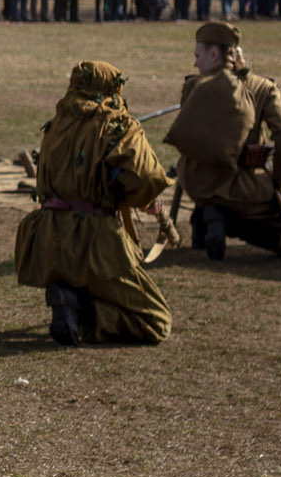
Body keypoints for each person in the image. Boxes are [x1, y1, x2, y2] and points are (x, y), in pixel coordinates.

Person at [15, 60, 173, 346]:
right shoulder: (119, 125)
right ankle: (84, 310)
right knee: (156, 321)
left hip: (49, 241)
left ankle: (72, 297)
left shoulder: (56, 124)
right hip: (95, 244)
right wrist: (141, 199)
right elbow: (147, 178)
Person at [163, 21, 281, 259]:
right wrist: (277, 178)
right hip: (242, 189)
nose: (195, 63)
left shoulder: (193, 86)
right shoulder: (263, 88)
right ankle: (231, 224)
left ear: (214, 55)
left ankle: (207, 217)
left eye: (197, 56)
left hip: (196, 182)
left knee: (212, 198)